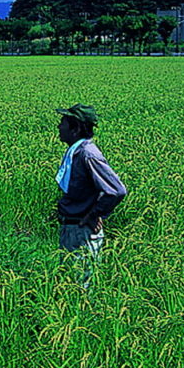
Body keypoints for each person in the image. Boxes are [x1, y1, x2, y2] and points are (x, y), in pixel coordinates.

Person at [54, 104, 127, 280]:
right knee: (69, 281)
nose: (59, 126)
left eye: (63, 122)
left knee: (80, 283)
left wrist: (93, 214)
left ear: (76, 129)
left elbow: (116, 190)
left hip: (82, 231)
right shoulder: (76, 152)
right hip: (72, 227)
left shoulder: (88, 154)